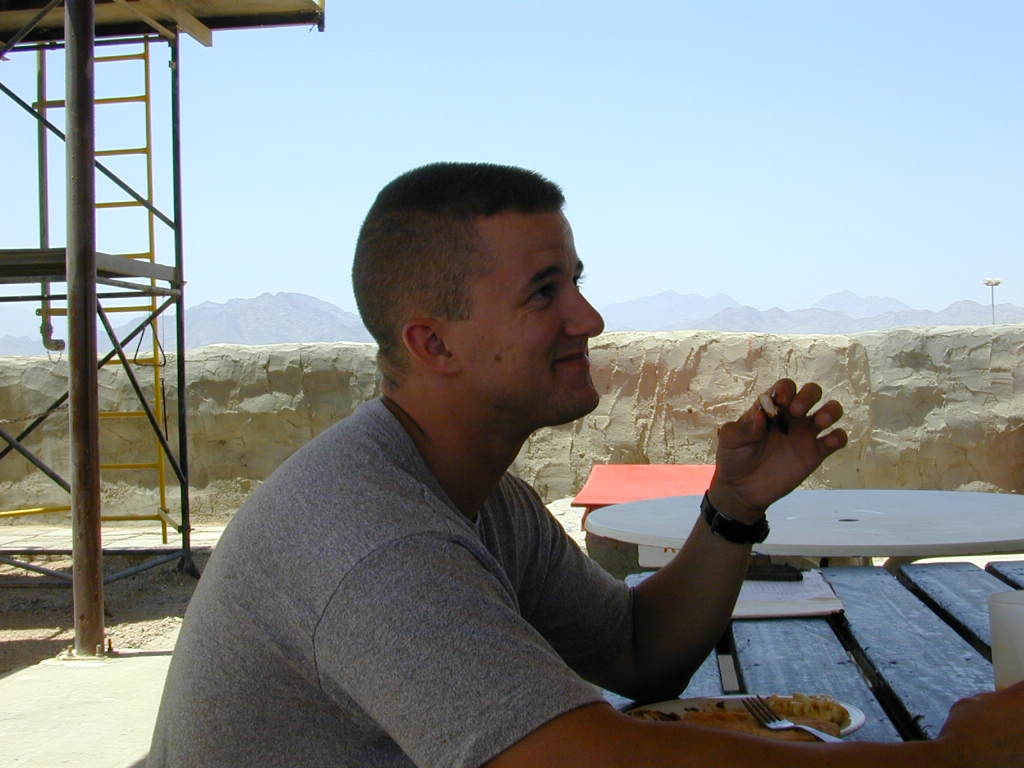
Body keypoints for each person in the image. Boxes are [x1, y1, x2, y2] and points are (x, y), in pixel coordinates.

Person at [148, 162, 1024, 767]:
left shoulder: (486, 501)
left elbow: (639, 654)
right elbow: (577, 760)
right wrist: (954, 761)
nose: (590, 318)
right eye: (546, 291)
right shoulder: (377, 535)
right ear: (433, 344)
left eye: (577, 279)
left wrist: (732, 507)